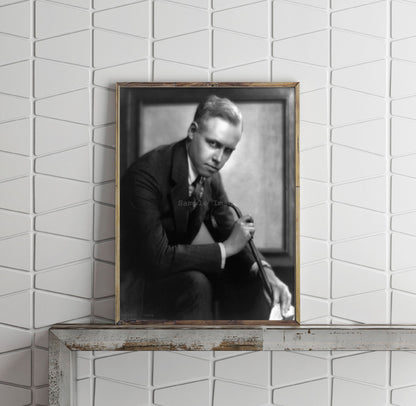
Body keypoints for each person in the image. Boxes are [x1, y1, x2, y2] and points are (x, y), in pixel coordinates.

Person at [120, 95, 292, 320]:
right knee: (197, 282)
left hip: (176, 271)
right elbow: (158, 257)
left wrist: (266, 273)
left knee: (249, 280)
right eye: (213, 144)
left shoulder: (210, 176)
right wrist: (226, 248)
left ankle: (246, 347)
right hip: (138, 284)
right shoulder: (145, 176)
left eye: (228, 150)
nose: (218, 159)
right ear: (192, 131)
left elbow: (229, 225)